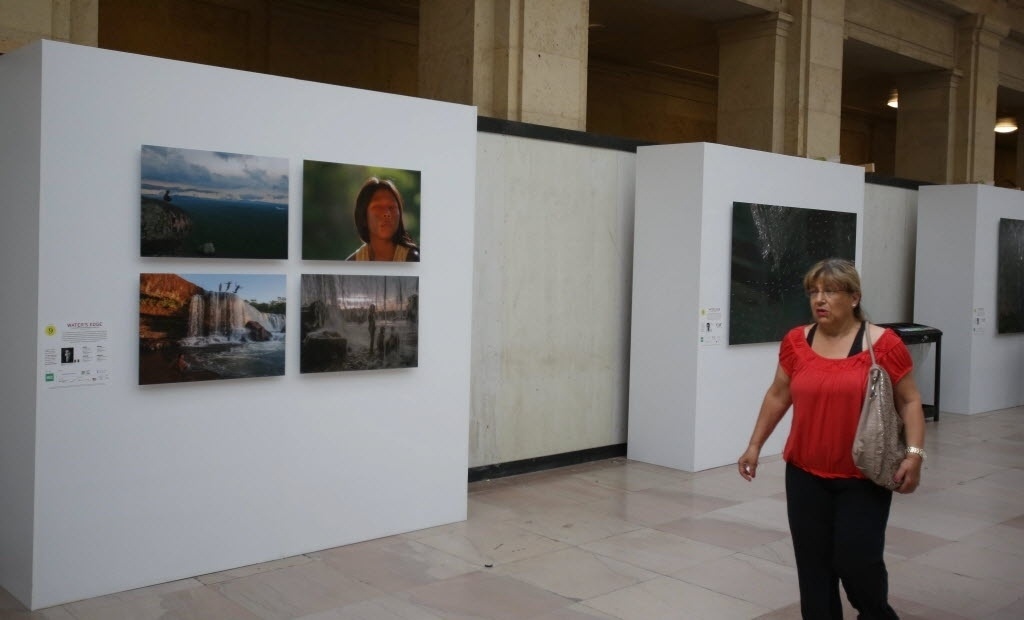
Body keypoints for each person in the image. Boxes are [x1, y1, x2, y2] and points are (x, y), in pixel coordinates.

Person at [737, 258, 926, 620]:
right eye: (813, 291)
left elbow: (910, 400)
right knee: (814, 570)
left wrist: (914, 455)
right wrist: (755, 445)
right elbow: (779, 393)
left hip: (862, 476)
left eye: (830, 291)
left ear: (854, 297)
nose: (819, 299)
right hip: (805, 473)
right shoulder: (797, 341)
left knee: (858, 561)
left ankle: (876, 614)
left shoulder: (883, 344)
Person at [345, 177, 420, 262]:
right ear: (363, 216)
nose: (387, 213)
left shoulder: (413, 259)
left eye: (392, 207)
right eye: (378, 207)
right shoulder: (353, 262)